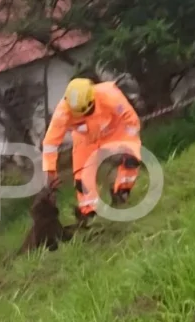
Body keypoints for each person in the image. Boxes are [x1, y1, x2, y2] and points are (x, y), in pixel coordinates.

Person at [42, 78, 142, 222]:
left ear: (92, 100)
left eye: (84, 112)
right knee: (82, 181)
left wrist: (127, 143)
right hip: (86, 140)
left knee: (131, 159)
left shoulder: (110, 95)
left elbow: (131, 120)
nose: (80, 116)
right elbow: (50, 142)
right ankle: (89, 214)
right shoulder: (62, 112)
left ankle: (122, 191)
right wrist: (50, 171)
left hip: (114, 131)